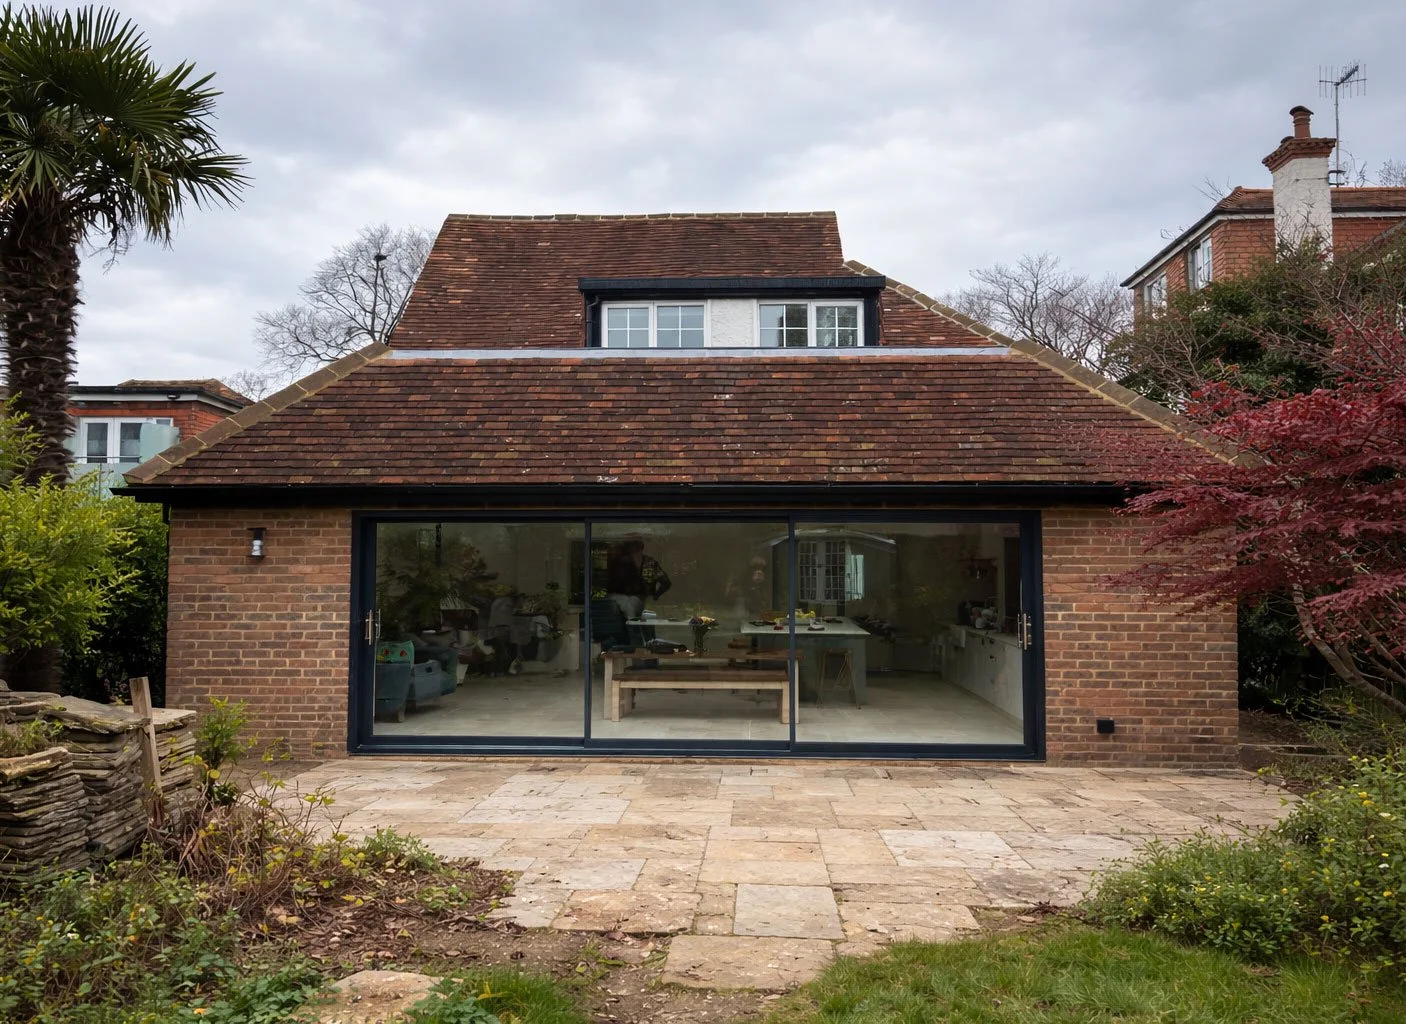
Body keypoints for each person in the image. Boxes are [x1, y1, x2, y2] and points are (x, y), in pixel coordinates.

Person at [606, 538, 671, 621]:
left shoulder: (650, 563)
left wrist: (654, 596)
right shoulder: (623, 563)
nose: (633, 550)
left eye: (635, 548)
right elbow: (613, 585)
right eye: (631, 548)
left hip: (645, 603)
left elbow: (666, 583)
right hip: (625, 603)